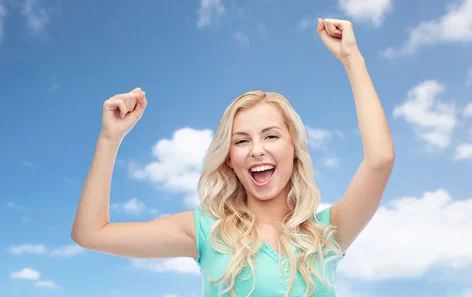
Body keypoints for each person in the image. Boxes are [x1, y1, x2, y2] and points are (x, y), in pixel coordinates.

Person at [72, 18, 395, 297]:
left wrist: (352, 58)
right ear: (229, 158)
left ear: (294, 149)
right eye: (241, 141)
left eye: (271, 136)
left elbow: (380, 160)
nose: (257, 150)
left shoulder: (328, 233)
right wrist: (109, 139)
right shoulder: (206, 232)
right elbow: (91, 234)